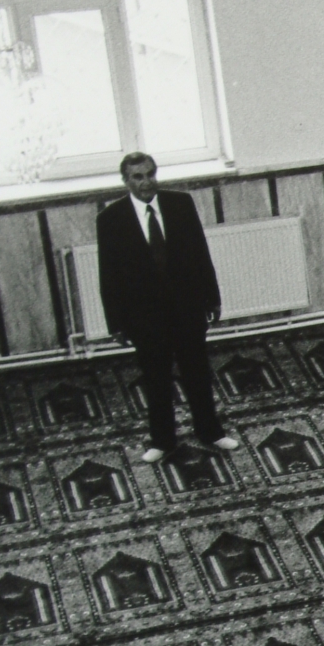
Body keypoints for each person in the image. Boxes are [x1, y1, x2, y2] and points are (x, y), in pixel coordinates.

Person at [96, 152, 239, 462]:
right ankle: (162, 440)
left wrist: (212, 297)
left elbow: (200, 253)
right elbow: (108, 275)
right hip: (144, 316)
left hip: (186, 308)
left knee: (197, 372)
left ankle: (211, 431)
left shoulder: (180, 204)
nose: (146, 182)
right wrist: (115, 323)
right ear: (126, 181)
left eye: (150, 174)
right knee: (156, 378)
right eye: (138, 177)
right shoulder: (110, 219)